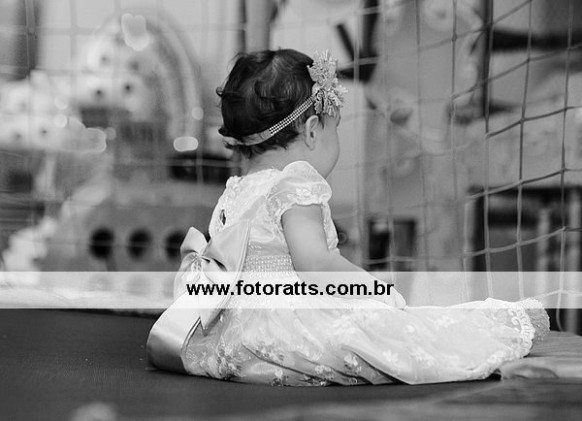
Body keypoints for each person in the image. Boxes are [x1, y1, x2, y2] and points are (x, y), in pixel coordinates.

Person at [149, 48, 549, 386]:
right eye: (335, 127)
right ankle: (504, 326)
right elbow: (316, 264)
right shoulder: (296, 181)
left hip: (238, 338)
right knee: (396, 334)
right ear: (311, 130)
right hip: (289, 329)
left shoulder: (236, 189)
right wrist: (373, 290)